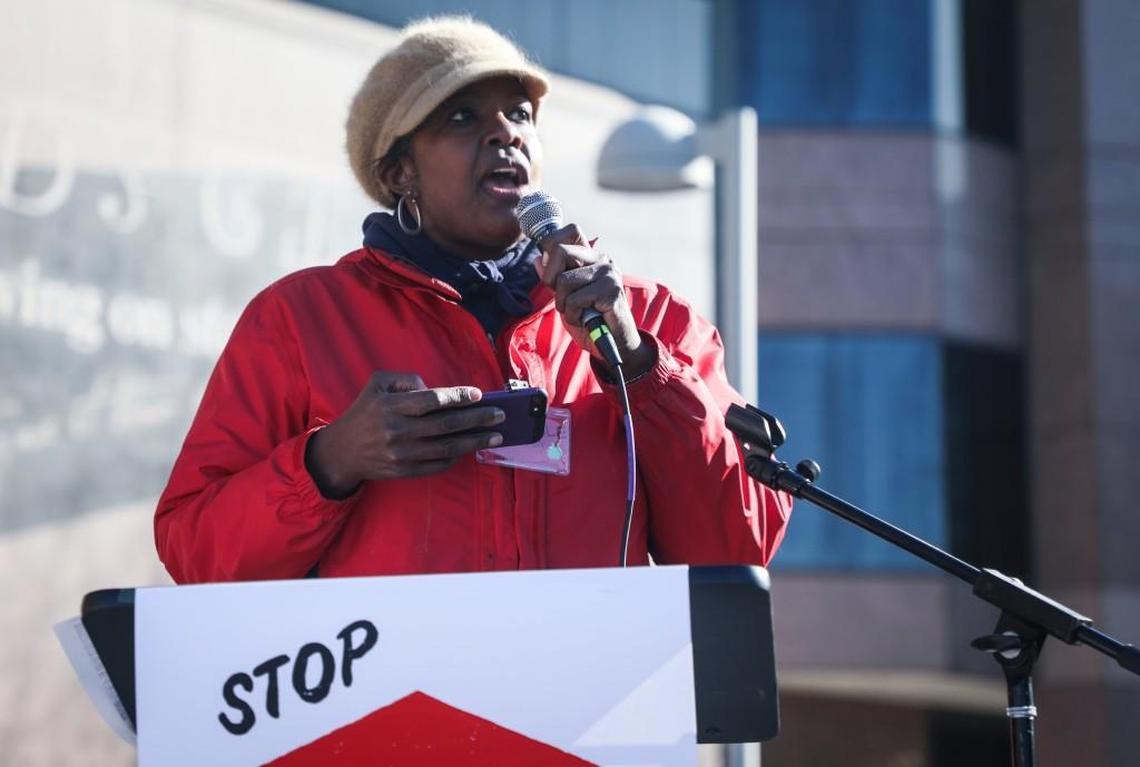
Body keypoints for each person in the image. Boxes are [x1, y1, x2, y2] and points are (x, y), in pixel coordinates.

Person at [154, 16, 792, 583]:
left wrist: (638, 365)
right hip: (394, 706)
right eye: (462, 117)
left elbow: (736, 550)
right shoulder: (300, 318)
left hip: (590, 707)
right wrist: (331, 460)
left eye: (520, 115)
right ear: (400, 173)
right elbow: (196, 554)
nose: (505, 134)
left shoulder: (651, 320)